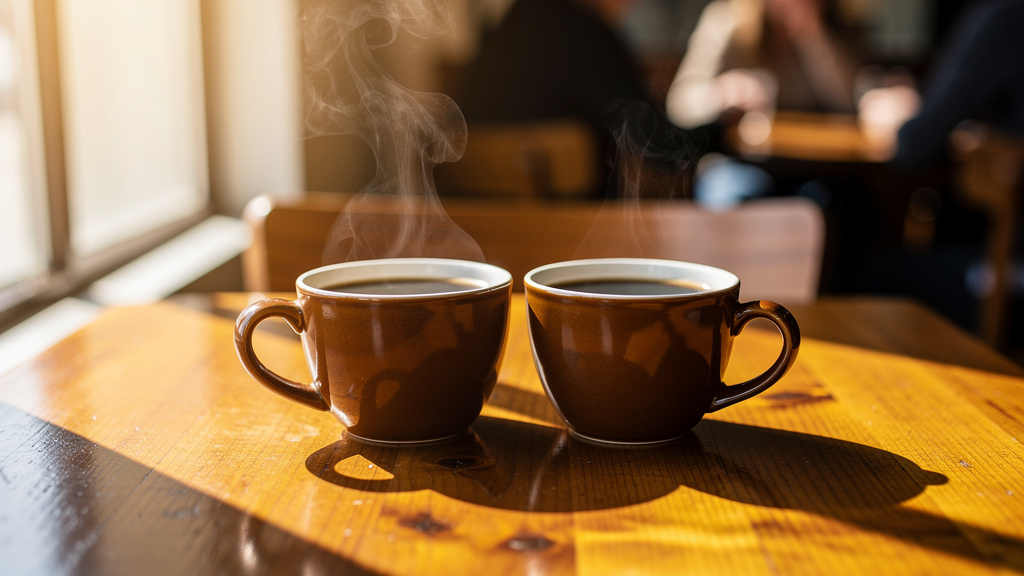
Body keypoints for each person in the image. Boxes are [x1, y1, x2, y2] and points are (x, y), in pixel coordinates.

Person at [455, 0, 704, 198]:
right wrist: (722, 132)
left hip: (475, 218)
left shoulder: (514, 21)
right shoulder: (587, 35)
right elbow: (657, 145)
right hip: (571, 227)